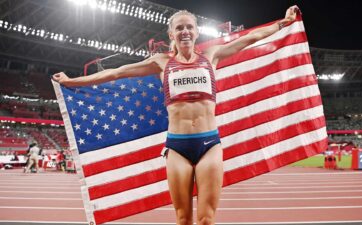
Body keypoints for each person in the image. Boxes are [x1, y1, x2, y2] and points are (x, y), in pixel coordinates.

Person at [53, 6, 298, 225]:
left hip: (209, 144)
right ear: (171, 34)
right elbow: (116, 73)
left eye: (189, 27)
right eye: (179, 28)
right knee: (183, 219)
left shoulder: (212, 56)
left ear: (197, 31)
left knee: (206, 219)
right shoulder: (161, 63)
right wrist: (72, 81)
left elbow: (251, 38)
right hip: (177, 147)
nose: (185, 31)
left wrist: (284, 23)